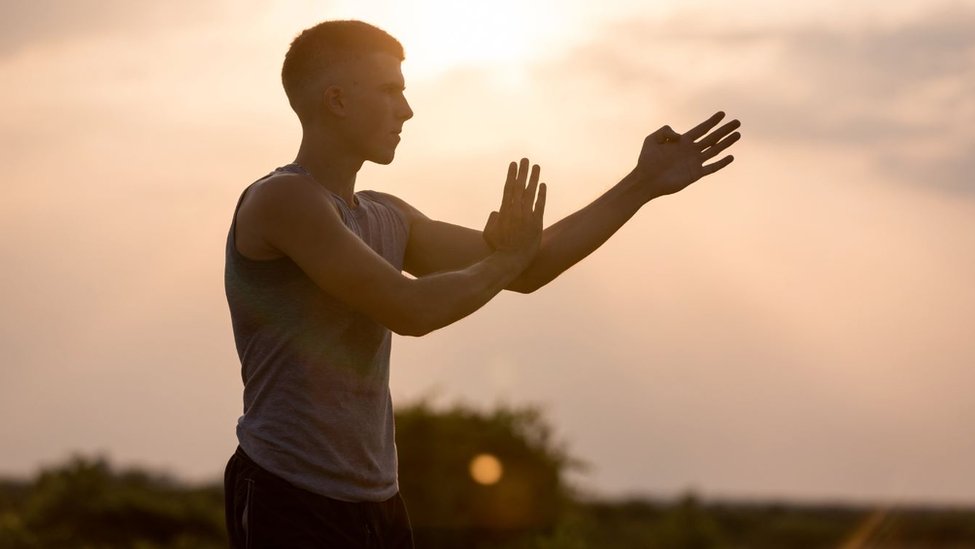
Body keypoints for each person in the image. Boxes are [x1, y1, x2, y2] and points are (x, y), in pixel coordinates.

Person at [223, 19, 740, 549]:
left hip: (377, 501)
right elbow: (411, 309)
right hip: (287, 493)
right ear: (336, 100)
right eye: (390, 90)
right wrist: (505, 260)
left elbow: (529, 269)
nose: (406, 109)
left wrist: (643, 183)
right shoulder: (282, 201)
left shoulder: (388, 216)